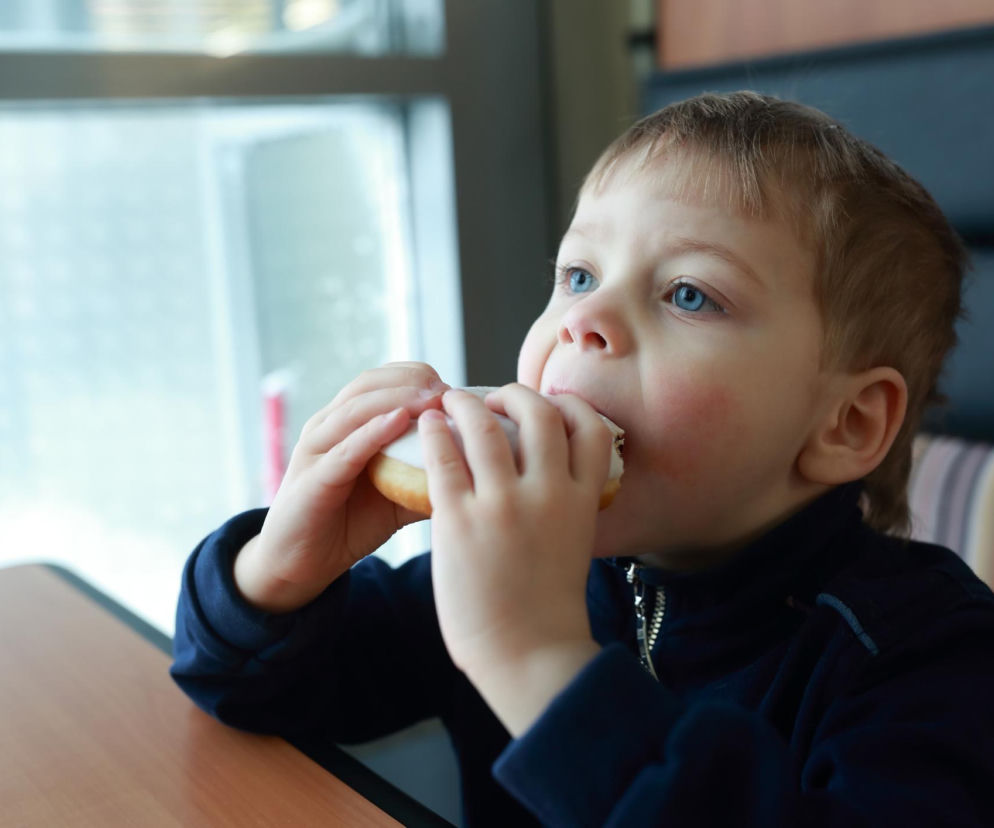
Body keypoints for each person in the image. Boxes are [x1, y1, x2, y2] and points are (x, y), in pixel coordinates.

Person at [171, 92, 994, 826]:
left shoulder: (930, 662)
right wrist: (279, 570)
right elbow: (243, 689)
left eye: (689, 294)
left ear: (845, 423)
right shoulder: (528, 561)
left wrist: (536, 659)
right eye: (578, 274)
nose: (584, 319)